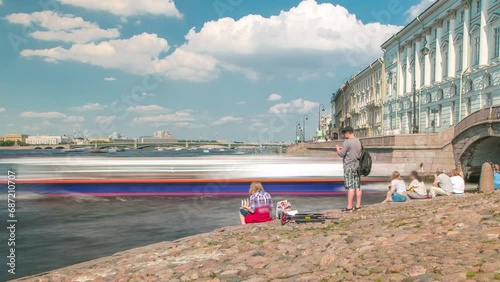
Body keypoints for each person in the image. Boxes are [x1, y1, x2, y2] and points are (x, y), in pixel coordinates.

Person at [335, 126, 362, 212]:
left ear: (347, 133)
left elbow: (342, 154)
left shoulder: (347, 142)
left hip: (349, 165)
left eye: (344, 134)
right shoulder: (358, 141)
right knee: (357, 186)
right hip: (357, 165)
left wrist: (338, 150)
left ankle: (349, 207)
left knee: (350, 187)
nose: (344, 136)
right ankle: (358, 206)